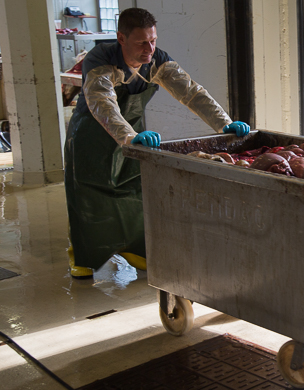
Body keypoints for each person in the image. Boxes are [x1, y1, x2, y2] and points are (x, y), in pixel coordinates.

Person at [64, 7, 250, 278]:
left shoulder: (157, 61)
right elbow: (102, 104)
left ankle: (134, 247)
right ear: (121, 39)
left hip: (135, 133)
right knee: (89, 193)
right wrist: (128, 137)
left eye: (153, 41)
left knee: (133, 188)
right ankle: (83, 255)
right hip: (92, 134)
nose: (149, 49)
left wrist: (224, 123)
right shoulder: (101, 60)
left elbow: (191, 92)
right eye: (141, 42)